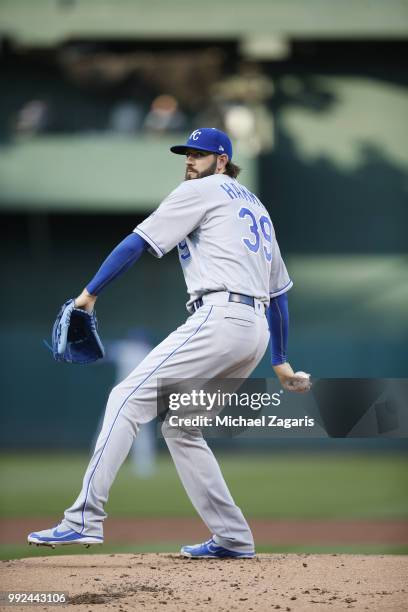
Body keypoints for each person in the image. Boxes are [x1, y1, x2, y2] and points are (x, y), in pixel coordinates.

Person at [28, 127, 309, 558]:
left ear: (222, 161)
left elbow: (135, 243)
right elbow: (279, 292)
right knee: (182, 426)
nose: (189, 160)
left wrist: (88, 295)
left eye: (200, 154)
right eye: (187, 153)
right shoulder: (255, 205)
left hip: (219, 317)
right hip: (252, 330)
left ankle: (82, 519)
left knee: (126, 398)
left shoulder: (201, 190)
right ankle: (233, 539)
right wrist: (281, 360)